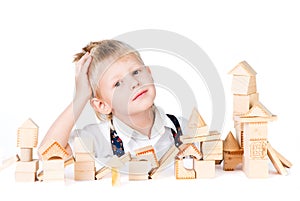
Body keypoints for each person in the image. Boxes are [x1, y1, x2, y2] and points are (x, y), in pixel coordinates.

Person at [39, 40, 187, 163]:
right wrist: (80, 97)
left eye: (136, 72)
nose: (134, 83)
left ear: (149, 73)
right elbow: (47, 154)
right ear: (102, 105)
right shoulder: (97, 138)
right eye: (117, 83)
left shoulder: (183, 127)